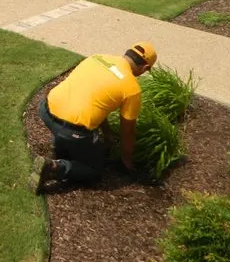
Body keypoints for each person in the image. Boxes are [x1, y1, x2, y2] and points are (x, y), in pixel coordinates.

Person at [28, 42, 158, 193]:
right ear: (145, 68)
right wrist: (127, 160)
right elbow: (127, 131)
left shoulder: (97, 58)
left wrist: (107, 134)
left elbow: (95, 102)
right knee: (93, 170)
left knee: (74, 130)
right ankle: (53, 167)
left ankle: (59, 145)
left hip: (46, 109)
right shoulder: (131, 88)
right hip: (70, 130)